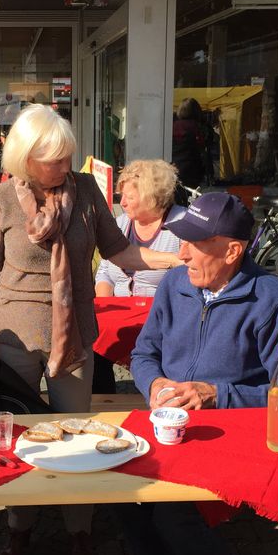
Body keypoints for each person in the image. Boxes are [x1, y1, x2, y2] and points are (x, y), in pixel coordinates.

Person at [0, 103, 181, 555]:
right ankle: (18, 527)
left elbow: (121, 252)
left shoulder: (86, 189)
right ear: (25, 157)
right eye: (53, 159)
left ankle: (80, 530)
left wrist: (179, 259)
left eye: (67, 156)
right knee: (22, 435)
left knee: (78, 435)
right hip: (16, 335)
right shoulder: (0, 199)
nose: (64, 167)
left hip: (75, 333)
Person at [124, 191, 278, 555]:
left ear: (233, 251)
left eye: (194, 243)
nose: (181, 253)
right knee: (123, 497)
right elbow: (143, 353)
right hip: (169, 431)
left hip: (234, 439)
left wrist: (217, 394)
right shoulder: (174, 285)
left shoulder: (274, 299)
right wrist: (153, 385)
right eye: (181, 241)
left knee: (172, 512)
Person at [94, 159, 185, 392]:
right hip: (121, 315)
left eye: (129, 198)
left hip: (161, 318)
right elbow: (105, 270)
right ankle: (102, 402)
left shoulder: (182, 225)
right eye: (121, 196)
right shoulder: (121, 223)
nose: (122, 203)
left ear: (152, 197)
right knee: (92, 341)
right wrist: (106, 305)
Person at [171, 98, 209, 189]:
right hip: (191, 169)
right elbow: (202, 145)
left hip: (172, 167)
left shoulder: (172, 126)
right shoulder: (197, 127)